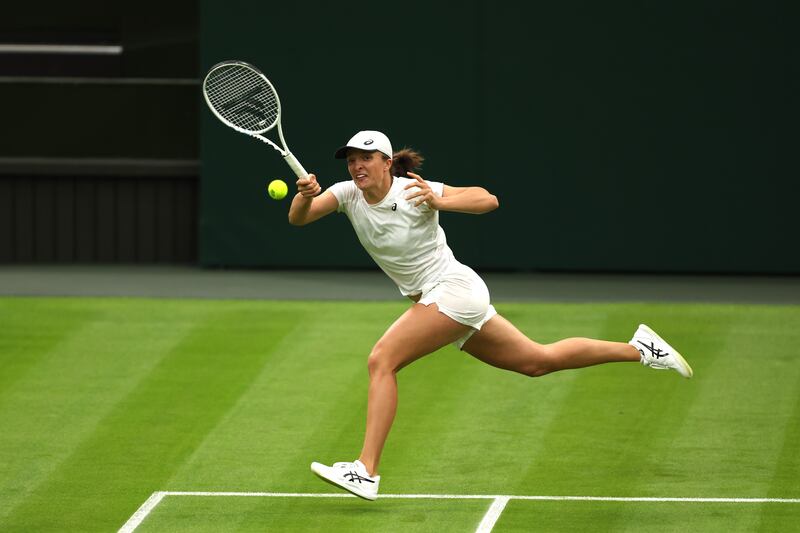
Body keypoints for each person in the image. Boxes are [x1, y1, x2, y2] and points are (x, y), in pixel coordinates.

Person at [288, 130, 692, 501]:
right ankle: (640, 349)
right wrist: (305, 194)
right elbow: (299, 218)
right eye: (351, 160)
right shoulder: (346, 194)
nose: (357, 166)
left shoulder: (414, 190)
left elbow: (488, 198)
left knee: (382, 359)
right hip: (438, 299)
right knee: (537, 361)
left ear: (387, 162)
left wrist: (440, 201)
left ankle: (366, 470)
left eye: (366, 158)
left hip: (454, 291)